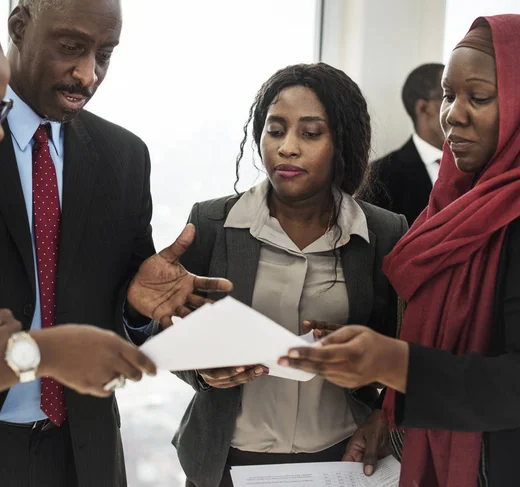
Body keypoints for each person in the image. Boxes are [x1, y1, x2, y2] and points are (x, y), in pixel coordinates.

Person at [0, 0, 231, 486]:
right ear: (20, 26)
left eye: (105, 55)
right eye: (71, 48)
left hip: (83, 454)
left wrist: (134, 308)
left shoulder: (125, 157)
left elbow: (117, 310)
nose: (87, 75)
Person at [280, 15, 520, 487]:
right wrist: (385, 412)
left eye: (480, 97)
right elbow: (434, 335)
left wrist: (395, 361)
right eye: (449, 95)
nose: (453, 114)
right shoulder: (449, 207)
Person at [168, 63, 408, 487]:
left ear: (342, 143)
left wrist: (375, 392)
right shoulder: (209, 223)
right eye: (275, 130)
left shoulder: (384, 232)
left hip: (341, 460)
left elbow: (404, 347)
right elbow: (169, 327)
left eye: (310, 133)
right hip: (227, 461)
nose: (287, 148)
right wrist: (202, 370)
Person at [362, 63, 445, 226]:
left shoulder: (481, 165)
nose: (459, 108)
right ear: (423, 108)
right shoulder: (381, 176)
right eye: (449, 97)